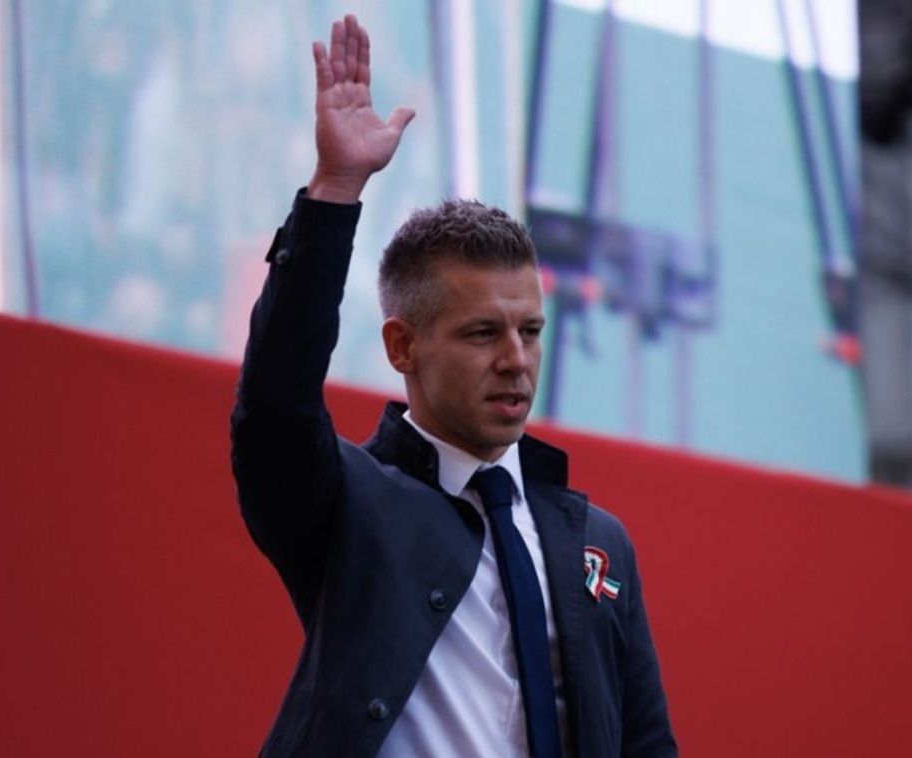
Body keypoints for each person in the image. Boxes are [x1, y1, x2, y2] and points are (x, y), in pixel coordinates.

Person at [230, 15, 676, 758]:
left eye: (530, 330)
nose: (516, 359)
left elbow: (647, 744)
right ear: (402, 347)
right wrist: (335, 189)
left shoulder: (600, 543)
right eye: (481, 334)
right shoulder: (345, 502)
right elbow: (275, 405)